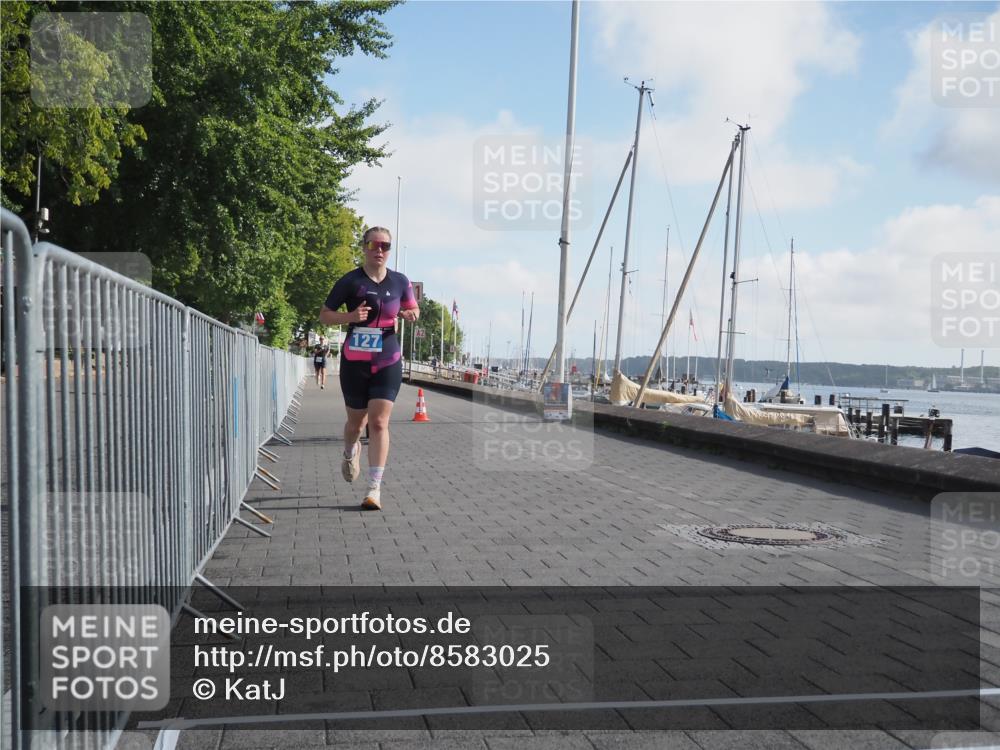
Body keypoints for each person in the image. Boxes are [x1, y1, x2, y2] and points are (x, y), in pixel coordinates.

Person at [319, 226, 419, 510]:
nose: (379, 250)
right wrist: (350, 315)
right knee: (355, 424)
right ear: (363, 246)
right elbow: (324, 315)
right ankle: (350, 451)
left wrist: (410, 313)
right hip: (355, 361)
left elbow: (413, 308)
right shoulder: (350, 281)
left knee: (378, 422)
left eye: (385, 246)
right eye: (374, 244)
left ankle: (374, 488)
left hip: (387, 359)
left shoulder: (400, 281)